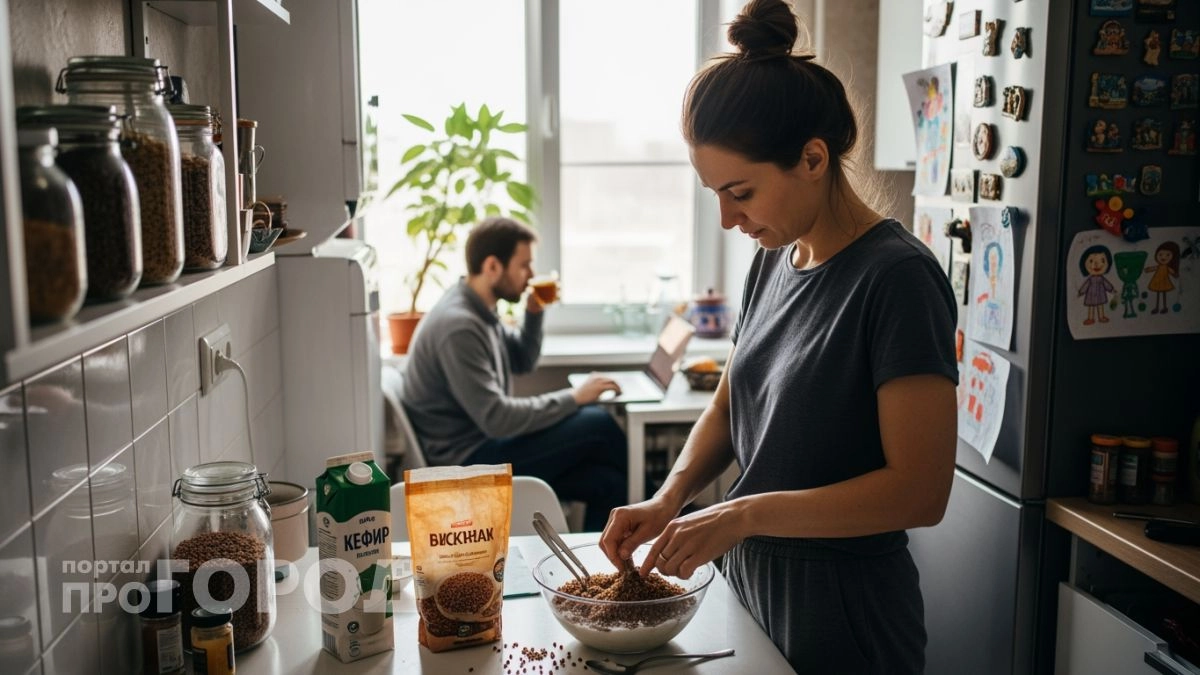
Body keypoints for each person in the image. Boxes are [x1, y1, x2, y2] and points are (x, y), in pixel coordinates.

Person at [598, 1, 958, 673]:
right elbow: (730, 401)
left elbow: (920, 491)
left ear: (813, 158)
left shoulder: (898, 278)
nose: (729, 218)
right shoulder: (776, 257)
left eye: (741, 191)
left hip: (847, 613)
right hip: (752, 589)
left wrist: (740, 514)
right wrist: (668, 496)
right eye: (715, 194)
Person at [401, 216, 626, 531]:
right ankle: (667, 513)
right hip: (469, 463)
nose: (531, 275)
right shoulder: (460, 326)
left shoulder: (480, 310)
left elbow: (521, 360)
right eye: (525, 265)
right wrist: (574, 397)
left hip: (485, 444)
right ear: (493, 266)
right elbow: (497, 418)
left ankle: (604, 563)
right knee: (599, 424)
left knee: (608, 483)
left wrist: (533, 313)